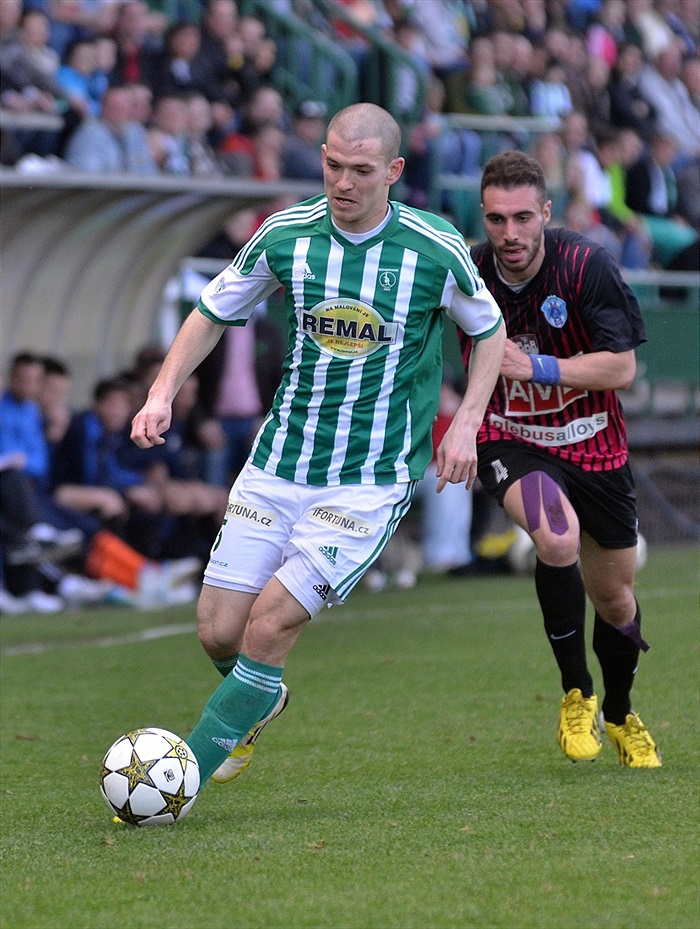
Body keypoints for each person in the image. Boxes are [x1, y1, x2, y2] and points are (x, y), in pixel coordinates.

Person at [130, 102, 506, 791]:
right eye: (333, 164)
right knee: (219, 630)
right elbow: (212, 310)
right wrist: (160, 391)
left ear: (393, 171)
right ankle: (255, 697)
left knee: (268, 626)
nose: (342, 181)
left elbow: (490, 330)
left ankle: (175, 782)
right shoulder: (287, 235)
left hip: (367, 479)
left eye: (361, 170)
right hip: (279, 461)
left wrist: (467, 422)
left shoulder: (433, 246)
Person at [460, 149, 661, 768]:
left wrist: (538, 366)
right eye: (497, 220)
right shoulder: (468, 273)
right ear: (484, 218)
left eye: (523, 218)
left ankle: (621, 714)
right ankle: (576, 693)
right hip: (512, 438)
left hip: (594, 442)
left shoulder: (585, 265)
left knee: (617, 600)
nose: (510, 234)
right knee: (555, 538)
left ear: (546, 212)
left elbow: (622, 368)